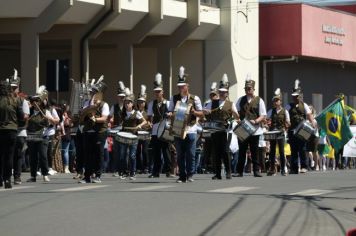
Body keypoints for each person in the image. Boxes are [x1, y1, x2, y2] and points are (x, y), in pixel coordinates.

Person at [167, 66, 204, 183]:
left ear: (187, 86)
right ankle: (182, 175)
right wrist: (169, 114)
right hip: (178, 129)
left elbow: (202, 114)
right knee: (180, 154)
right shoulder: (174, 98)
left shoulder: (195, 98)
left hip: (191, 129)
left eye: (182, 86)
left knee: (191, 154)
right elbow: (170, 111)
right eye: (179, 86)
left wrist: (194, 112)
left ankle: (190, 174)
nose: (180, 88)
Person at [203, 74, 239, 180]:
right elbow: (205, 113)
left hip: (225, 130)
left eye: (224, 91)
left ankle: (228, 172)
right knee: (216, 152)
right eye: (221, 91)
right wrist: (205, 112)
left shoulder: (231, 104)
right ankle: (217, 173)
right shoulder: (212, 103)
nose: (222, 93)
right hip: (215, 130)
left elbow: (237, 118)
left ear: (227, 93)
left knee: (225, 151)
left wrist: (230, 120)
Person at [235, 74, 267, 177]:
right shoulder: (240, 100)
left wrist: (256, 121)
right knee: (242, 150)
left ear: (253, 89)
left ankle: (256, 170)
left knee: (255, 151)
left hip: (255, 129)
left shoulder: (259, 100)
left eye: (249, 88)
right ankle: (239, 171)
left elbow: (263, 115)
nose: (247, 90)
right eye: (246, 88)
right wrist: (238, 120)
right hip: (244, 129)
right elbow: (235, 112)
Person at [79, 76, 109, 183]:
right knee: (87, 155)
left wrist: (95, 119)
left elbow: (104, 118)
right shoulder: (87, 103)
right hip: (88, 131)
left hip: (99, 132)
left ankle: (98, 175)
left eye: (94, 92)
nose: (92, 94)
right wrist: (87, 109)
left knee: (98, 154)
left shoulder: (104, 104)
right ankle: (87, 176)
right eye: (91, 92)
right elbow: (82, 117)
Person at [147, 73, 174, 178]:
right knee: (156, 153)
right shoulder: (151, 104)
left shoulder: (167, 103)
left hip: (165, 130)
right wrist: (149, 123)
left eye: (159, 91)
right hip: (155, 131)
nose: (157, 93)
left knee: (166, 151)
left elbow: (172, 115)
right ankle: (155, 172)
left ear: (163, 92)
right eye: (156, 91)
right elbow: (149, 118)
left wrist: (170, 115)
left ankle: (169, 171)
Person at [285, 79, 314, 174]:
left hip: (302, 130)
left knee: (302, 148)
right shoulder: (288, 106)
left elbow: (309, 115)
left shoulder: (304, 105)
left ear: (300, 95)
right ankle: (293, 168)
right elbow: (285, 116)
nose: (295, 98)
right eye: (294, 96)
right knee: (293, 149)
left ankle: (304, 166)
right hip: (292, 130)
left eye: (297, 96)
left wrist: (313, 123)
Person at [0, 77, 23, 189]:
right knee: (9, 156)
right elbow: (22, 117)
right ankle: (7, 179)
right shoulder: (15, 101)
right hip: (12, 131)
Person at [119, 88, 147, 180]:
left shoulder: (137, 113)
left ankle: (133, 172)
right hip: (124, 135)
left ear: (132, 104)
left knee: (132, 155)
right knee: (123, 155)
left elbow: (144, 121)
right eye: (125, 103)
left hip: (134, 136)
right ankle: (124, 172)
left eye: (128, 103)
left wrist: (139, 126)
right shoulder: (122, 113)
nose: (127, 104)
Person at [26, 86, 52, 183]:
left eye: (38, 101)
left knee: (43, 156)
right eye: (34, 102)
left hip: (42, 137)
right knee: (32, 157)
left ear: (41, 103)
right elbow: (25, 124)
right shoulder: (29, 112)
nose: (36, 103)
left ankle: (45, 174)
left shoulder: (45, 112)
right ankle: (33, 176)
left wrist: (46, 119)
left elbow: (48, 124)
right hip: (31, 136)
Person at [9, 70, 30, 185]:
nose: (12, 90)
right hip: (7, 131)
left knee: (17, 155)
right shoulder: (6, 100)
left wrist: (18, 116)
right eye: (11, 88)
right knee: (6, 154)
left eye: (14, 88)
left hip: (19, 131)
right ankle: (5, 176)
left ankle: (17, 176)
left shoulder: (23, 101)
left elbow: (26, 116)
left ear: (18, 88)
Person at [266, 88, 290, 176]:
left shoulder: (285, 111)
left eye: (277, 100)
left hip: (280, 132)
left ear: (280, 101)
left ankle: (283, 169)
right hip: (272, 132)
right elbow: (266, 121)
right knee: (272, 151)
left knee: (281, 151)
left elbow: (288, 122)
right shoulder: (270, 111)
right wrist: (267, 123)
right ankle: (272, 169)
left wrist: (286, 126)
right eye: (274, 101)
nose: (275, 102)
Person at [109, 81, 126, 176]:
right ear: (117, 96)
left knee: (124, 151)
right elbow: (109, 117)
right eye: (120, 96)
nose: (122, 98)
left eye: (123, 96)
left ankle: (123, 170)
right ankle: (116, 170)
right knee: (116, 151)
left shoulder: (127, 106)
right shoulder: (114, 106)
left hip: (124, 130)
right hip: (116, 130)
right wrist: (111, 119)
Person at [135, 85, 150, 174]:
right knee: (137, 151)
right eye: (139, 102)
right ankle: (138, 167)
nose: (141, 104)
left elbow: (150, 123)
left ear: (145, 103)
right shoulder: (135, 112)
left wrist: (147, 125)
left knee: (145, 151)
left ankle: (146, 167)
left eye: (142, 102)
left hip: (146, 133)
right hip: (137, 133)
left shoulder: (148, 112)